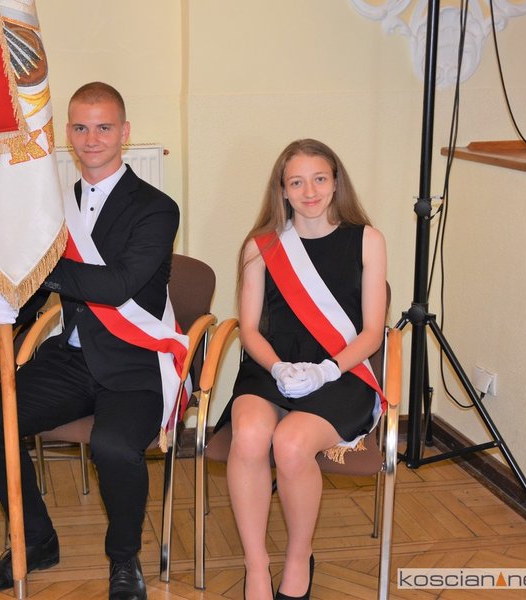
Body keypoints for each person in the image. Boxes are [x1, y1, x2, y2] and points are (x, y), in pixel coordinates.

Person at [0, 81, 183, 600]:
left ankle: (124, 558)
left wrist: (35, 276)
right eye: (82, 128)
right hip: (73, 357)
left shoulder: (156, 208)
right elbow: (32, 281)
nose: (92, 139)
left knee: (113, 447)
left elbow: (118, 285)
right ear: (68, 133)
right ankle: (36, 540)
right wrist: (8, 302)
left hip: (136, 359)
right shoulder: (52, 207)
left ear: (125, 132)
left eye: (104, 127)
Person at [215, 139, 387, 600]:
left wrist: (326, 371)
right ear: (282, 190)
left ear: (336, 182)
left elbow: (373, 332)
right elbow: (249, 329)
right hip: (272, 367)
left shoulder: (367, 240)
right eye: (297, 182)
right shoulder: (261, 246)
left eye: (319, 179)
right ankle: (256, 565)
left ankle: (298, 556)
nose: (309, 192)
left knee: (291, 445)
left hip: (342, 371)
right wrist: (276, 368)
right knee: (250, 436)